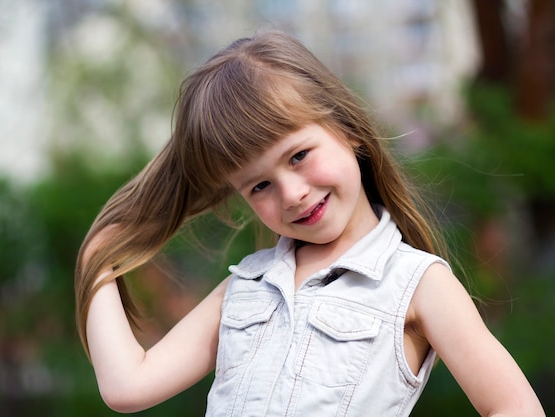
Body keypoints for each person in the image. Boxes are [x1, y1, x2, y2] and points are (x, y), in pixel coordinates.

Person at [75, 31, 545, 416]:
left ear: (347, 129)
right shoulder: (246, 288)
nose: (292, 193)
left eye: (299, 156)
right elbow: (127, 385)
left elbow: (515, 407)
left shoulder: (417, 283)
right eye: (258, 186)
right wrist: (98, 255)